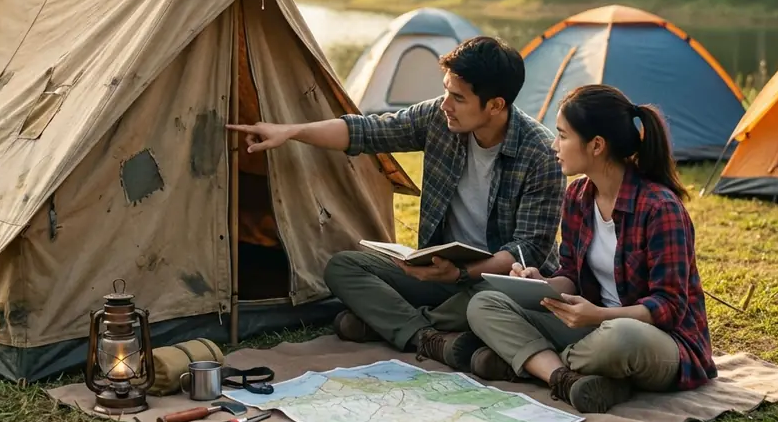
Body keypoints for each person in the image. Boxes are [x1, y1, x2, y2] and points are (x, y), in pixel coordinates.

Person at [226, 36, 565, 376]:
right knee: (343, 267)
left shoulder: (539, 154)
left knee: (481, 302)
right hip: (441, 272)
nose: (445, 104)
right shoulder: (438, 118)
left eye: (458, 98)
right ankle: (430, 337)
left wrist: (463, 273)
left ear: (495, 105)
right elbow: (367, 132)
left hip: (496, 281)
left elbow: (527, 250)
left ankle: (392, 324)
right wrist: (290, 131)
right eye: (446, 91)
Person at [465, 84, 717, 414]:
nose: (554, 145)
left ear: (596, 145)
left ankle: (528, 362)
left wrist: (600, 315)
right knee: (484, 303)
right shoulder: (578, 197)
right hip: (592, 327)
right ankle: (561, 376)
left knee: (621, 337)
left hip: (654, 339)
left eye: (563, 135)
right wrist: (540, 283)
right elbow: (570, 273)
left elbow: (668, 307)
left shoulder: (660, 208)